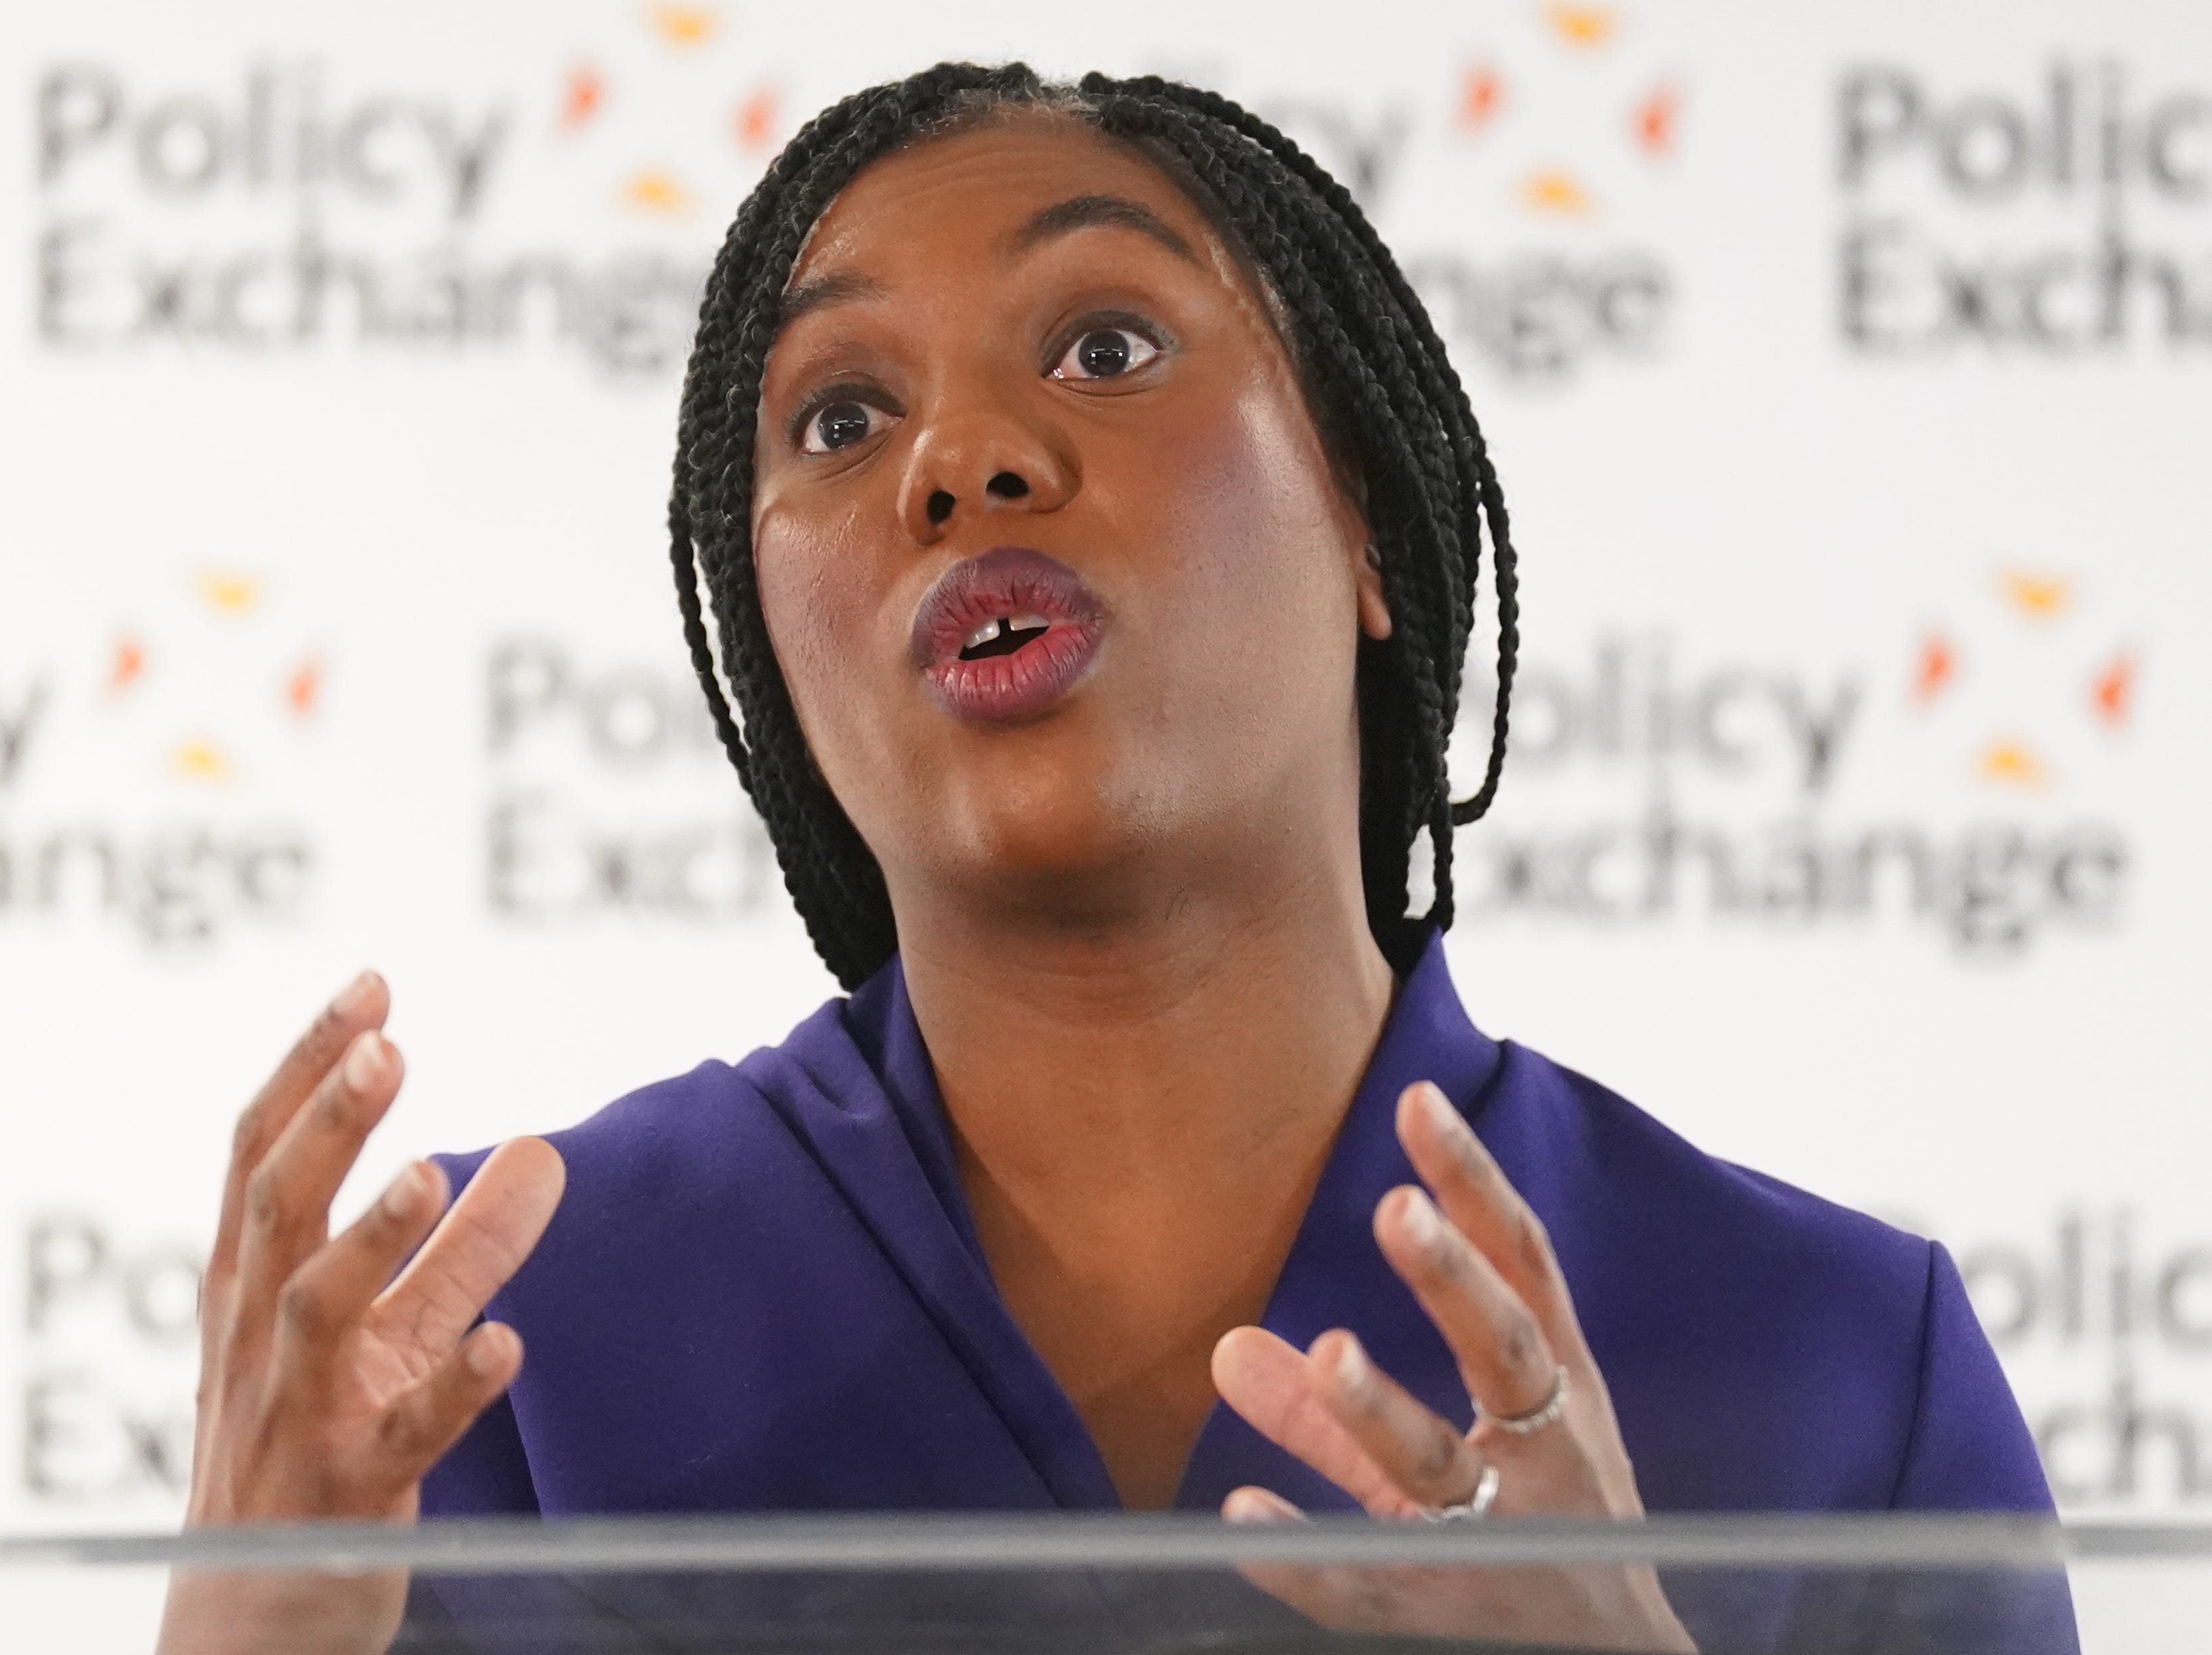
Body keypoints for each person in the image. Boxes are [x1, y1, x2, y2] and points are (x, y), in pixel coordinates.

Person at [159, 64, 2073, 1655]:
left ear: (1368, 524)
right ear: (766, 639)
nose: (960, 462)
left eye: (1104, 345)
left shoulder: (1838, 1369)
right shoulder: (492, 1359)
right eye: (842, 414)